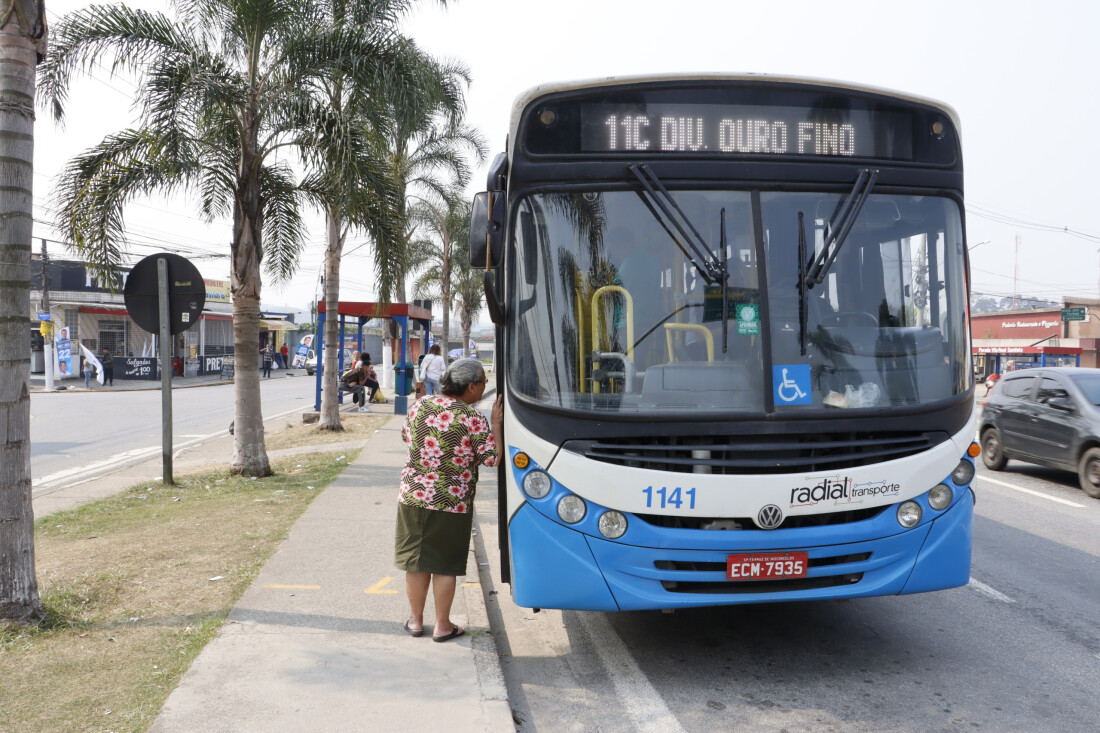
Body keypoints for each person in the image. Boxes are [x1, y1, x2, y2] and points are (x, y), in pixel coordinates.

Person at [395, 358, 503, 641]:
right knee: (444, 565)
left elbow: (406, 436)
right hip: (452, 503)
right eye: (483, 383)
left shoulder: (420, 405)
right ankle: (442, 625)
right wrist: (496, 424)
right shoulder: (472, 418)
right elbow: (492, 459)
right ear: (472, 386)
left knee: (416, 561)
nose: (484, 388)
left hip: (413, 497)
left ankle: (415, 621)